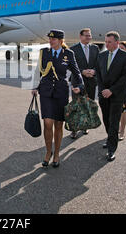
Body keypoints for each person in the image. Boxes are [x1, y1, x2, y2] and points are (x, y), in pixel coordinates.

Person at [32, 29, 84, 168]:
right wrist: (34, 86)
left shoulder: (68, 54)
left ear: (60, 41)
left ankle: (56, 154)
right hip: (46, 92)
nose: (50, 41)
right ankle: (48, 152)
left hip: (61, 92)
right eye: (49, 39)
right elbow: (38, 70)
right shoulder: (44, 52)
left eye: (53, 39)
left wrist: (79, 86)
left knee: (58, 125)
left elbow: (76, 71)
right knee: (48, 123)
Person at [96, 31, 126, 162]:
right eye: (105, 42)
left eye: (109, 42)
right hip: (103, 94)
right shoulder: (102, 56)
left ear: (117, 42)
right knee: (106, 119)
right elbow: (98, 75)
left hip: (117, 95)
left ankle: (111, 149)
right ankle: (110, 137)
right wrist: (102, 90)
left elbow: (125, 77)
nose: (106, 44)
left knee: (114, 120)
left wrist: (111, 90)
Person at [69, 28, 100, 139]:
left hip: (91, 81)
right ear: (80, 36)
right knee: (76, 105)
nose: (89, 37)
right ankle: (74, 129)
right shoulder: (73, 49)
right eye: (86, 35)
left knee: (87, 104)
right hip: (77, 81)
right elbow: (71, 65)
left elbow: (98, 63)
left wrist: (94, 71)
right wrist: (82, 71)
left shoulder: (95, 48)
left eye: (89, 35)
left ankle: (84, 126)